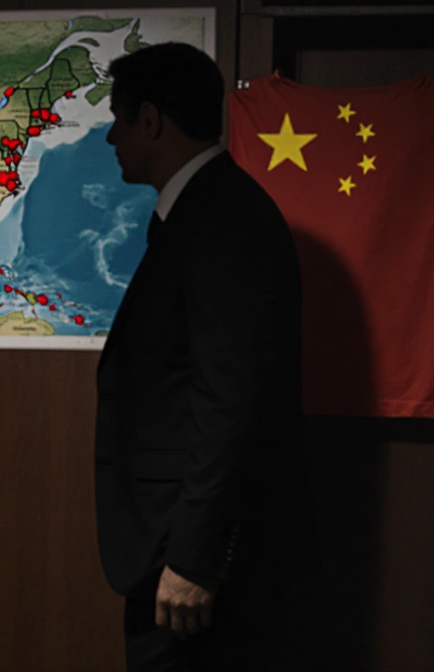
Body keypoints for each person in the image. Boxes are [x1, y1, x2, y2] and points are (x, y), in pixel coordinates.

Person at [96, 43, 316, 671]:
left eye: (117, 119)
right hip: (176, 548)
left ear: (150, 120)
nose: (110, 138)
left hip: (194, 564)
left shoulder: (224, 220)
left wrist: (195, 558)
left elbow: (233, 403)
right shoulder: (206, 209)